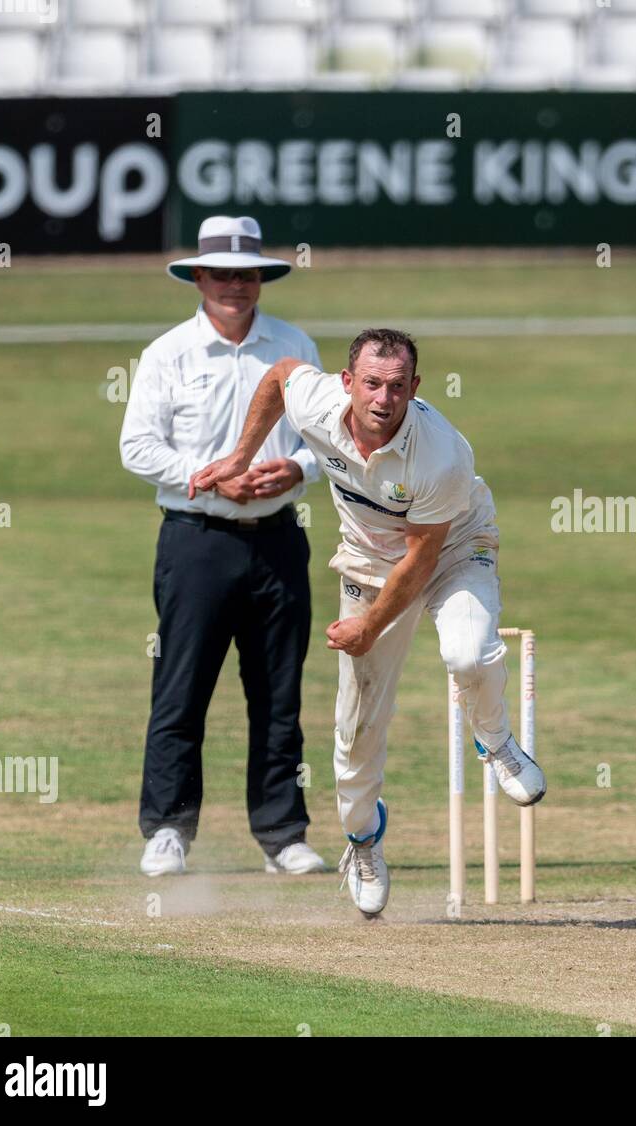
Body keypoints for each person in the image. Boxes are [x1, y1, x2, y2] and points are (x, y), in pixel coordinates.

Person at [189, 328, 546, 917]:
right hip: (369, 561)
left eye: (398, 387)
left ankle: (497, 740)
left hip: (453, 547)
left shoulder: (442, 455)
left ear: (415, 388)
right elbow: (280, 375)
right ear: (348, 382)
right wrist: (238, 456)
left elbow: (422, 558)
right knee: (357, 727)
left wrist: (367, 628)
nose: (383, 399)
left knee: (467, 652)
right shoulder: (320, 401)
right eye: (372, 384)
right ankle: (362, 843)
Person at [119, 216, 326, 879]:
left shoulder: (293, 347)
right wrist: (204, 476)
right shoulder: (168, 353)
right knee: (181, 689)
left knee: (278, 692)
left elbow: (328, 438)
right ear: (198, 278)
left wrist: (296, 470)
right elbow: (137, 446)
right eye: (222, 273)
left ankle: (282, 834)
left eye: (247, 274)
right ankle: (168, 830)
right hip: (196, 539)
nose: (235, 285)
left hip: (278, 539)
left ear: (261, 278)